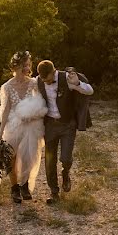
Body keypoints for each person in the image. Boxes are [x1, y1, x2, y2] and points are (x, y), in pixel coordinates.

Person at [36, 60, 94, 204]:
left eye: (47, 79)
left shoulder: (67, 78)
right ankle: (54, 192)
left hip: (67, 125)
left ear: (53, 71)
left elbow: (90, 90)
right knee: (49, 160)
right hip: (50, 125)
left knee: (66, 158)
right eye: (43, 80)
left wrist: (78, 84)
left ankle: (65, 172)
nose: (45, 82)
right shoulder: (38, 81)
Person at [0, 51, 48, 204]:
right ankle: (14, 187)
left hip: (30, 123)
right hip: (13, 124)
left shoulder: (33, 83)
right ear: (16, 66)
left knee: (27, 156)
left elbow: (39, 102)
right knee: (10, 156)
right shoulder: (7, 87)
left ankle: (24, 185)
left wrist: (32, 115)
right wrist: (0, 131)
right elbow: (5, 110)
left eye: (29, 65)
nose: (28, 68)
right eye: (25, 65)